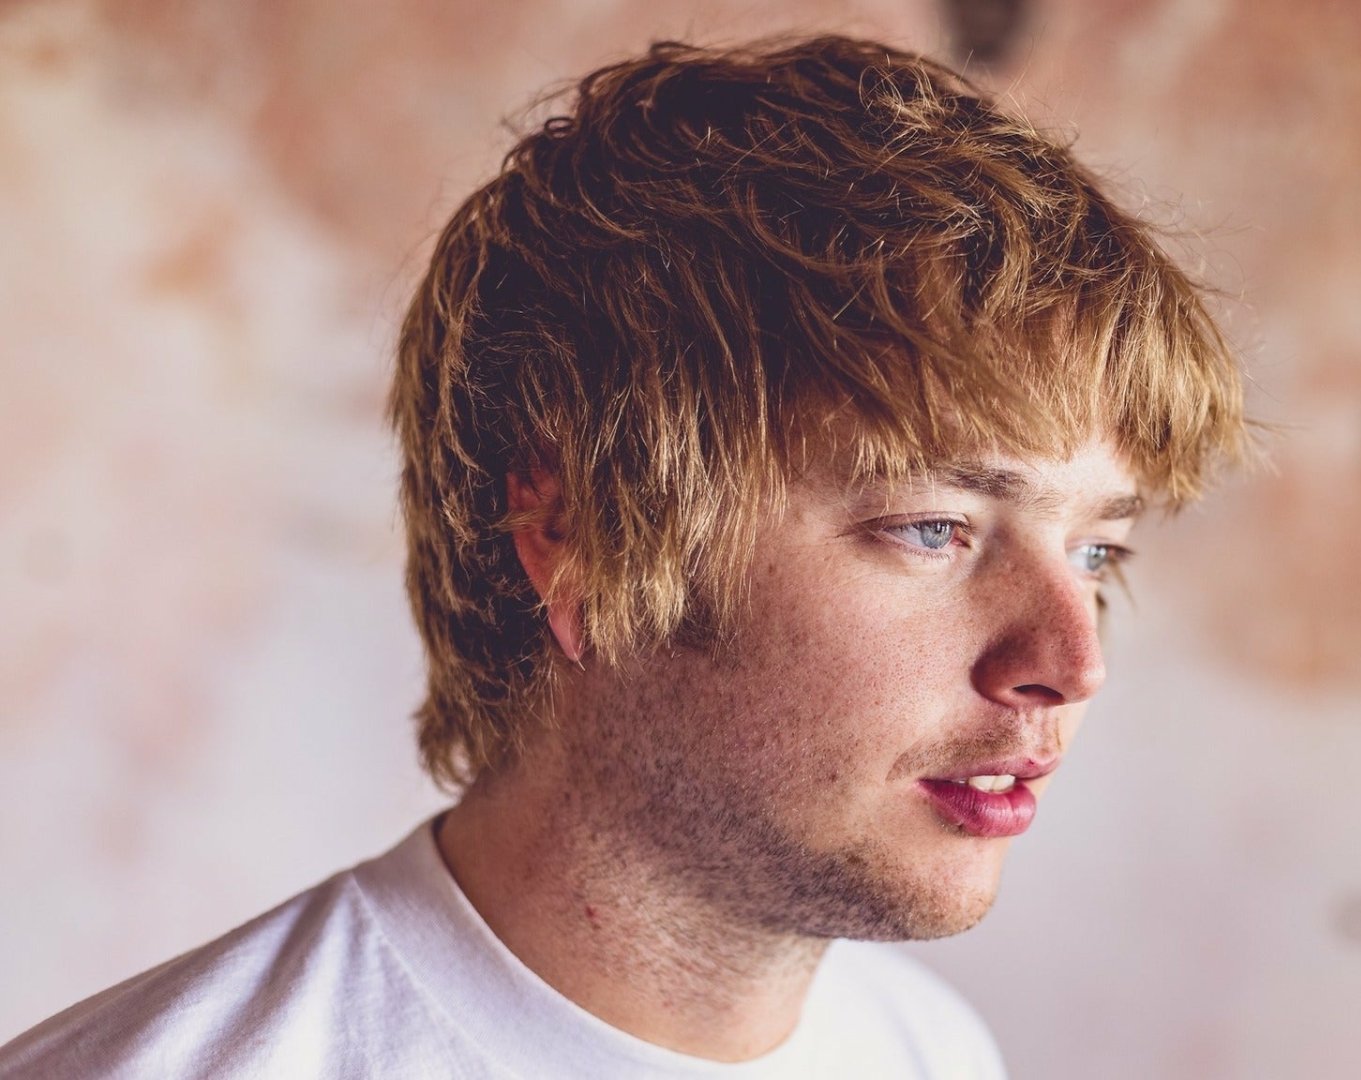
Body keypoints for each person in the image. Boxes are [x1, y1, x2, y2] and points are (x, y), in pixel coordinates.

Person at [0, 34, 1244, 1078]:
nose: (1069, 663)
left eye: (1098, 551)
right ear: (576, 534)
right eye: (934, 528)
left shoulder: (927, 1051)